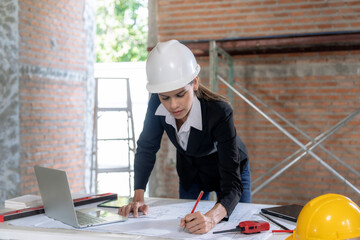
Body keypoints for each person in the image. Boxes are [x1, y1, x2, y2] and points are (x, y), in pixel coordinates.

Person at [118, 39, 251, 234]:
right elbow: (147, 147)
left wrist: (212, 218)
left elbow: (232, 182)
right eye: (165, 97)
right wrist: (138, 198)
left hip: (231, 173)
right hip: (192, 173)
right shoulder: (156, 103)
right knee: (188, 229)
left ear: (195, 82)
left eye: (180, 94)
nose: (173, 106)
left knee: (238, 230)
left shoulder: (220, 112)